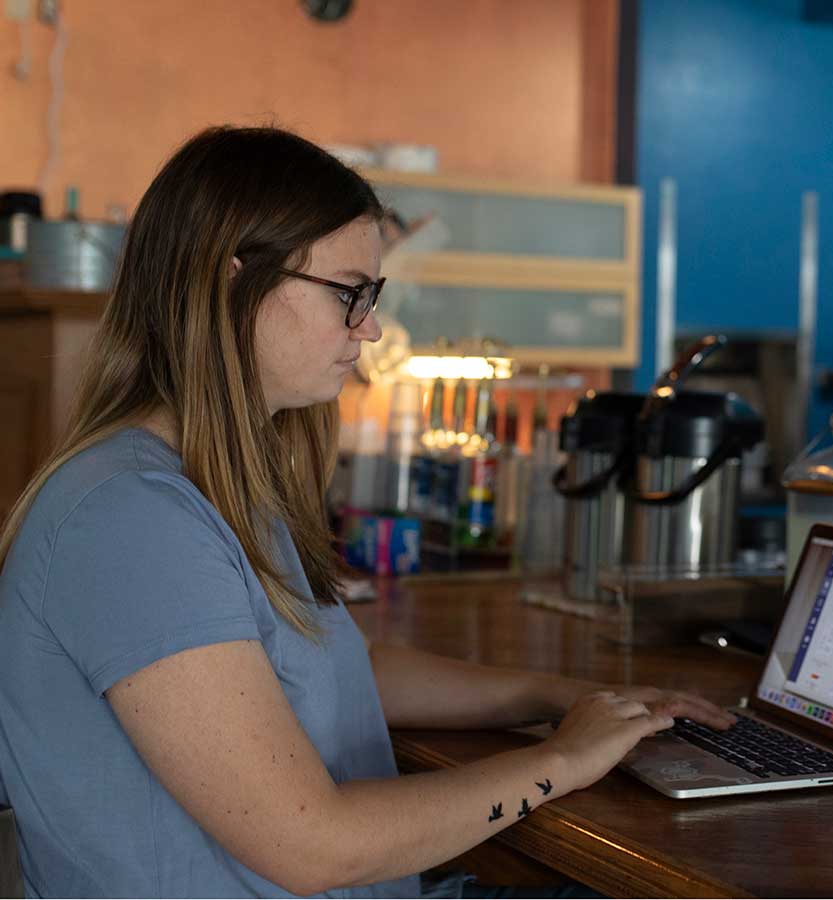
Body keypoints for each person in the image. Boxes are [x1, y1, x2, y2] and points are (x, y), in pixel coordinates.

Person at [0, 126, 734, 898]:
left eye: (372, 296)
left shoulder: (217, 485)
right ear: (229, 284)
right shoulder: (130, 520)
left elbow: (340, 669)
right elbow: (312, 847)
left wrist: (560, 701)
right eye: (348, 292)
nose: (371, 327)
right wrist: (561, 761)